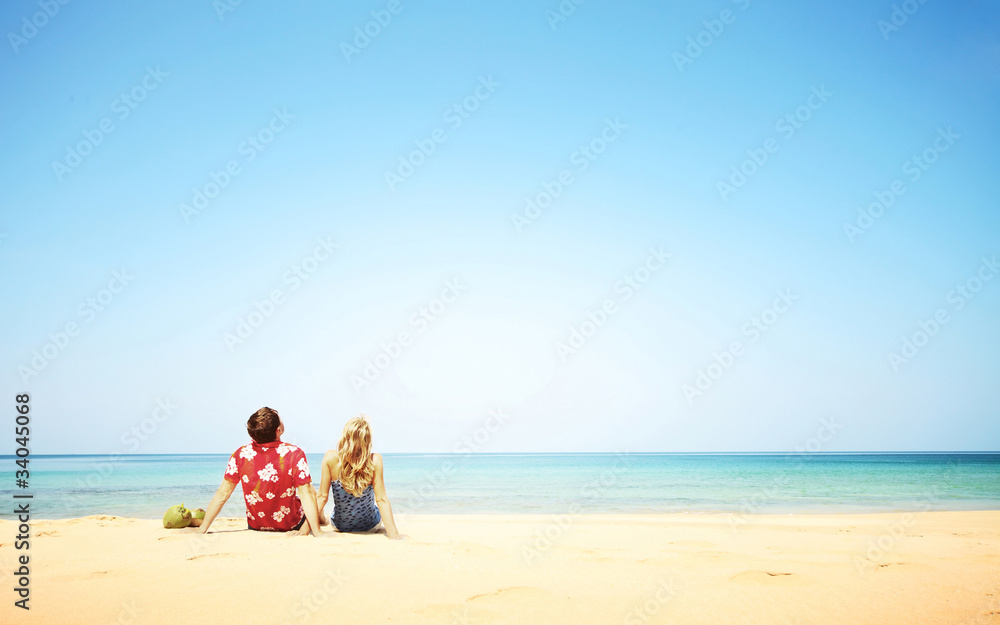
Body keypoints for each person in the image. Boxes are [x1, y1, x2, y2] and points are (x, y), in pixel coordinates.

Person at [198, 407, 321, 536]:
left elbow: (223, 492)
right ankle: (320, 520)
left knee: (305, 488)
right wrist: (317, 532)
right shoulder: (294, 453)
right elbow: (305, 493)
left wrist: (203, 528)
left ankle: (319, 520)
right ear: (278, 430)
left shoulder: (241, 454)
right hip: (289, 524)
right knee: (309, 488)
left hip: (256, 525)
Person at [296, 415, 401, 539]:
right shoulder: (375, 461)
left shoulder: (331, 458)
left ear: (344, 438)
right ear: (367, 441)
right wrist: (394, 535)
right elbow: (382, 499)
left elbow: (322, 497)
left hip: (340, 526)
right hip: (370, 525)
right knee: (375, 508)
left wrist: (304, 530)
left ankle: (322, 520)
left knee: (319, 499)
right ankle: (322, 519)